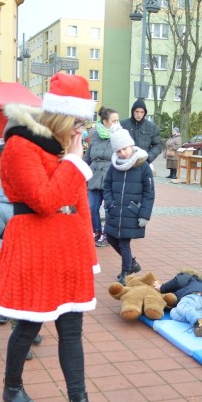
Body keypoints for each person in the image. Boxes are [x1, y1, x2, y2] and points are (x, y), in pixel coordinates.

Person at [0, 72, 113, 402]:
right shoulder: (20, 146)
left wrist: (87, 253)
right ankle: (12, 386)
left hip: (66, 249)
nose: (81, 133)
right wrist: (74, 160)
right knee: (27, 325)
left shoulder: (62, 148)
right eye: (78, 124)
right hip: (34, 246)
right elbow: (44, 200)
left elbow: (79, 206)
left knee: (72, 329)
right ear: (60, 117)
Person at [0, 187, 43, 354]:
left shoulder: (41, 203)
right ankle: (22, 340)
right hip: (13, 266)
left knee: (36, 299)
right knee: (17, 302)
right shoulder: (3, 208)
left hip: (37, 264)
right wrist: (10, 253)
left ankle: (31, 330)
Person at [102, 123, 155, 283]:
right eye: (118, 150)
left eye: (124, 148)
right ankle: (131, 263)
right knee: (111, 238)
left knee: (124, 242)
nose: (122, 153)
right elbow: (107, 185)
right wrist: (109, 203)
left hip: (132, 212)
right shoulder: (114, 166)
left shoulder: (144, 166)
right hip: (115, 210)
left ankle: (126, 272)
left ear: (131, 145)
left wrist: (144, 214)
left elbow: (149, 192)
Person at [84, 106, 120, 248]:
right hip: (94, 176)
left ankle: (107, 234)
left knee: (109, 208)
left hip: (111, 177)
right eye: (114, 121)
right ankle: (96, 231)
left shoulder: (119, 135)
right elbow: (87, 157)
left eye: (117, 120)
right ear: (105, 121)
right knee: (91, 207)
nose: (117, 123)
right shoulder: (95, 134)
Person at [157, 268, 202, 337]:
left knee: (184, 306)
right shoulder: (200, 283)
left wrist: (161, 287)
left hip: (193, 296)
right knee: (173, 312)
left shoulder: (186, 276)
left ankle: (199, 322)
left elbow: (177, 282)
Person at [119, 98, 163, 164]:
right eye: (137, 111)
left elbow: (158, 145)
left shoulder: (151, 127)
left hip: (143, 162)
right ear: (132, 111)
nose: (139, 115)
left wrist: (148, 158)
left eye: (142, 112)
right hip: (125, 161)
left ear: (145, 113)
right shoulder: (122, 125)